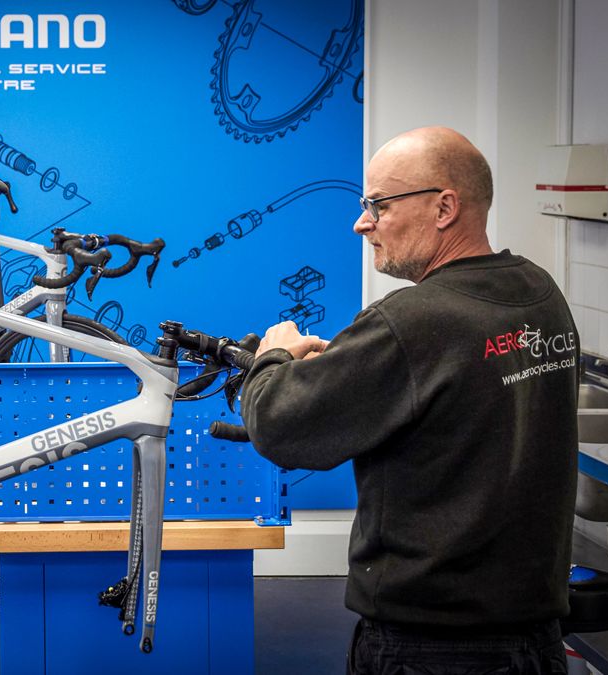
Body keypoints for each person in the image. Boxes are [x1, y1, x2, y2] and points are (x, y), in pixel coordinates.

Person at [239, 127, 578, 674]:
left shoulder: (413, 320)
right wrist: (360, 377)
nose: (361, 222)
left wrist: (271, 359)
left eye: (378, 204)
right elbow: (457, 400)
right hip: (532, 641)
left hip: (432, 649)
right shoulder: (536, 293)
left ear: (444, 207)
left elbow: (279, 425)